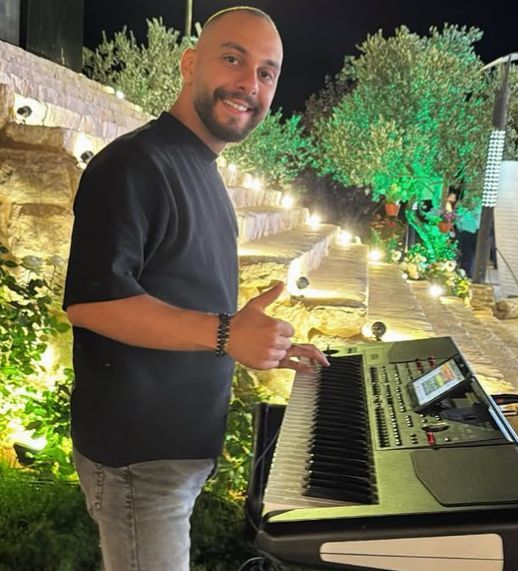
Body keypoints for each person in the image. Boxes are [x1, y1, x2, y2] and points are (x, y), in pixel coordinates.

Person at [63, 7, 329, 569]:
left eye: (266, 73)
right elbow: (92, 303)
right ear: (189, 65)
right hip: (139, 460)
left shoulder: (202, 167)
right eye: (232, 59)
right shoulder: (134, 165)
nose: (249, 83)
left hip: (174, 453)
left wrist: (262, 344)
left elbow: (185, 297)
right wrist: (227, 332)